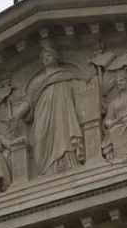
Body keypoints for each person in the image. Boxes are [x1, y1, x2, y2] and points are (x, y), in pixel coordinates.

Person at [9, 42, 84, 176]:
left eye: (49, 55)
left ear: (55, 57)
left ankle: (67, 164)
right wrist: (17, 116)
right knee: (40, 137)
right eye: (43, 56)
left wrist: (88, 84)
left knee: (63, 134)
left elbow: (78, 88)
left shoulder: (65, 74)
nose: (46, 57)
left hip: (62, 111)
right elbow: (28, 101)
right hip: (42, 114)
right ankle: (47, 171)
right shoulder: (37, 81)